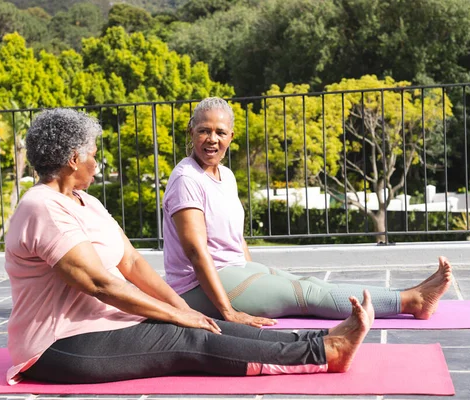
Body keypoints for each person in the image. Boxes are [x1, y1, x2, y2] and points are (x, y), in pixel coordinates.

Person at [4, 108, 375, 386]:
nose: (97, 165)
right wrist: (177, 316)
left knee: (207, 323)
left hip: (107, 325)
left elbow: (131, 263)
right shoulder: (42, 206)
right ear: (73, 159)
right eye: (93, 155)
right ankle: (326, 354)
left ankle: (323, 339)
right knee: (186, 336)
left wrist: (180, 306)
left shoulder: (88, 203)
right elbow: (101, 283)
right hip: (58, 346)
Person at [162, 97, 453, 328]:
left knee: (309, 284)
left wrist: (257, 274)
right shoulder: (187, 179)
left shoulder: (225, 175)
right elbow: (197, 253)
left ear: (231, 136)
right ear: (192, 132)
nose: (212, 138)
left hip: (231, 270)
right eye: (204, 130)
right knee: (309, 296)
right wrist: (229, 312)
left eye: (220, 132)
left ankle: (410, 294)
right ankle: (412, 301)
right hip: (197, 289)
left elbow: (235, 239)